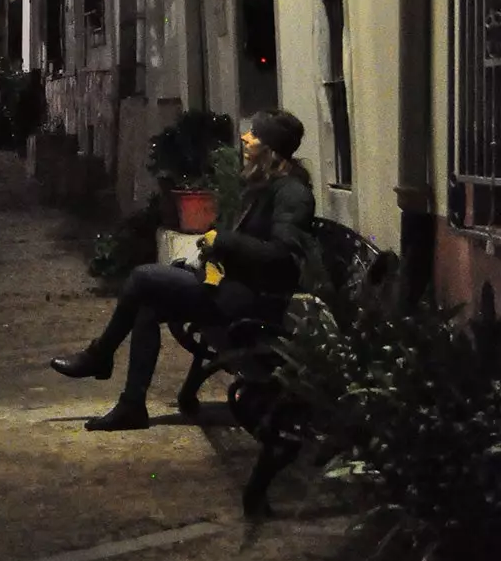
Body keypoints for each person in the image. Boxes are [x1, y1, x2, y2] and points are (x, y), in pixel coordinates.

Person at [50, 110, 315, 430]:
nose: (245, 138)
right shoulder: (265, 186)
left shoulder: (292, 193)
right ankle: (131, 405)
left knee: (142, 277)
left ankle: (100, 356)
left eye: (255, 136)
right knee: (148, 306)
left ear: (271, 150)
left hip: (250, 304)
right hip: (229, 288)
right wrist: (216, 255)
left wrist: (224, 242)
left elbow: (282, 257)